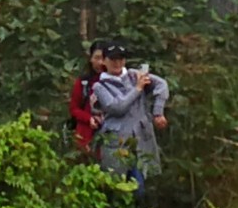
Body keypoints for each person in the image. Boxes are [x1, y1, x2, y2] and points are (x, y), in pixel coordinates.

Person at [90, 43, 170, 195]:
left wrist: (158, 112)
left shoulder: (134, 75)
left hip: (139, 140)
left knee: (139, 188)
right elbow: (116, 107)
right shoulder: (100, 86)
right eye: (113, 59)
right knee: (114, 187)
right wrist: (138, 89)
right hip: (116, 142)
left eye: (120, 59)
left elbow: (162, 85)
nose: (117, 63)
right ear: (104, 62)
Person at [69, 40, 109, 155]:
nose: (100, 62)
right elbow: (74, 108)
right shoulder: (83, 82)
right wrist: (88, 118)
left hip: (110, 135)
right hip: (85, 135)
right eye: (96, 58)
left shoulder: (116, 81)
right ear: (91, 58)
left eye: (103, 58)